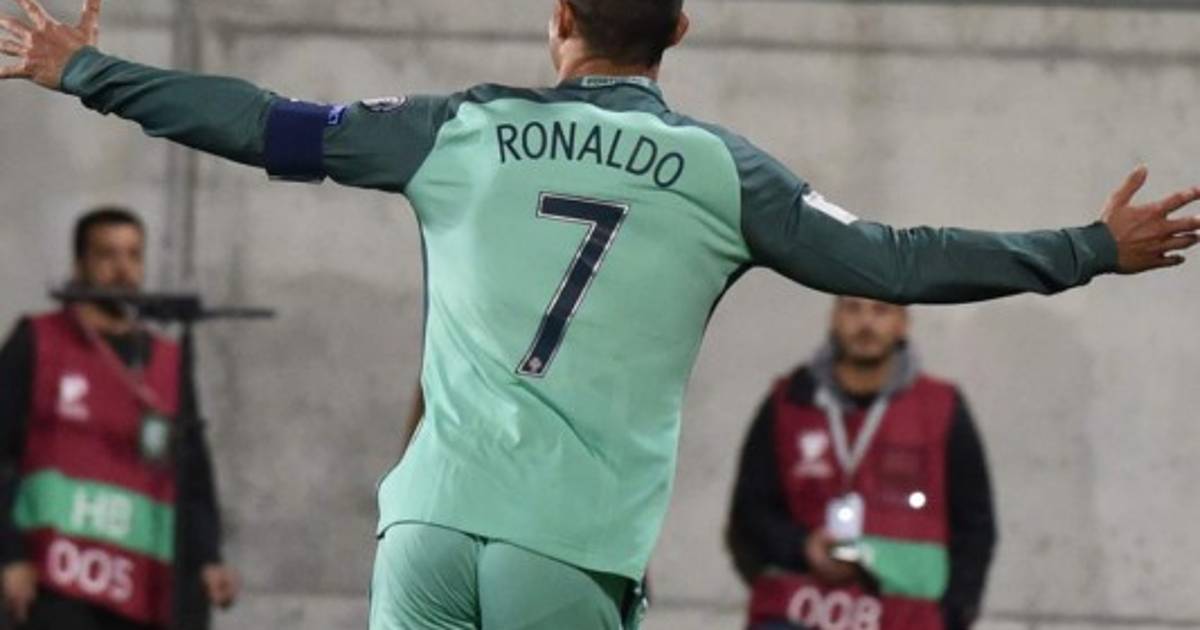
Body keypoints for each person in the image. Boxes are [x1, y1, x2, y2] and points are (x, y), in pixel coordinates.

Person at [1, 1, 1198, 627]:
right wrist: (1088, 249)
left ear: (558, 16)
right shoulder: (727, 177)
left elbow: (265, 122)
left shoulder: (458, 132)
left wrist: (86, 72)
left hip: (425, 532)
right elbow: (895, 262)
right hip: (564, 553)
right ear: (679, 30)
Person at [0, 207, 238, 630]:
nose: (123, 269)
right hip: (55, 581)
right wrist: (9, 556)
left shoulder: (167, 360)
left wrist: (207, 558)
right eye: (107, 255)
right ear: (80, 265)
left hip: (141, 583)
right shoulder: (38, 340)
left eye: (133, 255)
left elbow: (193, 471)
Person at [727, 297, 996, 630]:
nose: (866, 323)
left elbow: (975, 525)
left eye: (881, 310)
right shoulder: (788, 402)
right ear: (833, 318)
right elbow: (749, 513)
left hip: (906, 620)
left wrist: (952, 617)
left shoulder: (941, 407)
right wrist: (802, 548)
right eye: (852, 308)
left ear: (903, 324)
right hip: (794, 613)